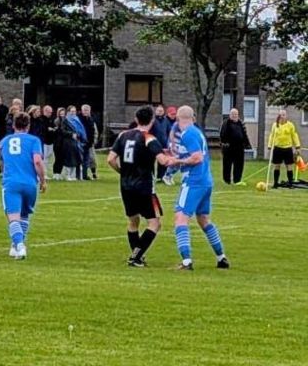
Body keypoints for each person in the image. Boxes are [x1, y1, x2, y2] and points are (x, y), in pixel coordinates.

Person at [107, 106, 172, 267]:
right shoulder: (149, 138)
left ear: (136, 119)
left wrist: (122, 172)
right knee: (155, 223)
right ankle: (136, 257)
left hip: (126, 185)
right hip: (144, 186)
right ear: (152, 120)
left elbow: (110, 159)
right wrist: (178, 158)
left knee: (133, 221)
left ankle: (136, 256)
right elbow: (163, 160)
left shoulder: (122, 135)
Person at [167, 106, 229, 271]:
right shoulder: (197, 132)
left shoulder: (188, 134)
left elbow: (197, 158)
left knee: (181, 218)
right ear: (193, 118)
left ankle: (186, 261)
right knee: (203, 220)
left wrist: (177, 161)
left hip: (193, 181)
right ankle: (221, 258)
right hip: (205, 180)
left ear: (177, 119)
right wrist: (176, 158)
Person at [0, 113, 47, 259]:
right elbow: (37, 161)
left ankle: (20, 246)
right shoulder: (34, 140)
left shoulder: (5, 141)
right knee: (24, 215)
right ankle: (15, 246)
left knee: (13, 217)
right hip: (30, 183)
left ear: (13, 125)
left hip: (11, 183)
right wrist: (43, 180)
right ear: (28, 126)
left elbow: (3, 162)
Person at [268, 109, 302, 188]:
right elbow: (272, 135)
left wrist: (297, 146)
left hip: (287, 148)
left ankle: (290, 183)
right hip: (277, 148)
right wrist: (269, 145)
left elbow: (294, 136)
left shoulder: (290, 125)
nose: (282, 116)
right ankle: (275, 183)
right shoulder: (275, 125)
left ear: (286, 116)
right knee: (277, 166)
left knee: (289, 166)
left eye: (283, 115)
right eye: (280, 115)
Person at [219, 108, 252, 186]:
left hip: (239, 147)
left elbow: (244, 134)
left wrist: (247, 144)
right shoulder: (226, 123)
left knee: (239, 164)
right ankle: (227, 180)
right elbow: (222, 134)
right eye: (233, 114)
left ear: (238, 115)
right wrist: (224, 143)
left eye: (236, 114)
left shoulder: (240, 123)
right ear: (230, 115)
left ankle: (237, 180)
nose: (234, 116)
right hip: (229, 147)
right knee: (227, 164)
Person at [80, 105, 98, 180]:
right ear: (82, 111)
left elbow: (95, 132)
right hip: (81, 143)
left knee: (92, 158)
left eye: (87, 110)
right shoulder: (79, 120)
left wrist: (94, 140)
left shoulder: (92, 120)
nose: (86, 111)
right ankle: (82, 174)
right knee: (81, 159)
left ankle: (93, 173)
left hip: (90, 143)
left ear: (89, 111)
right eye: (84, 110)